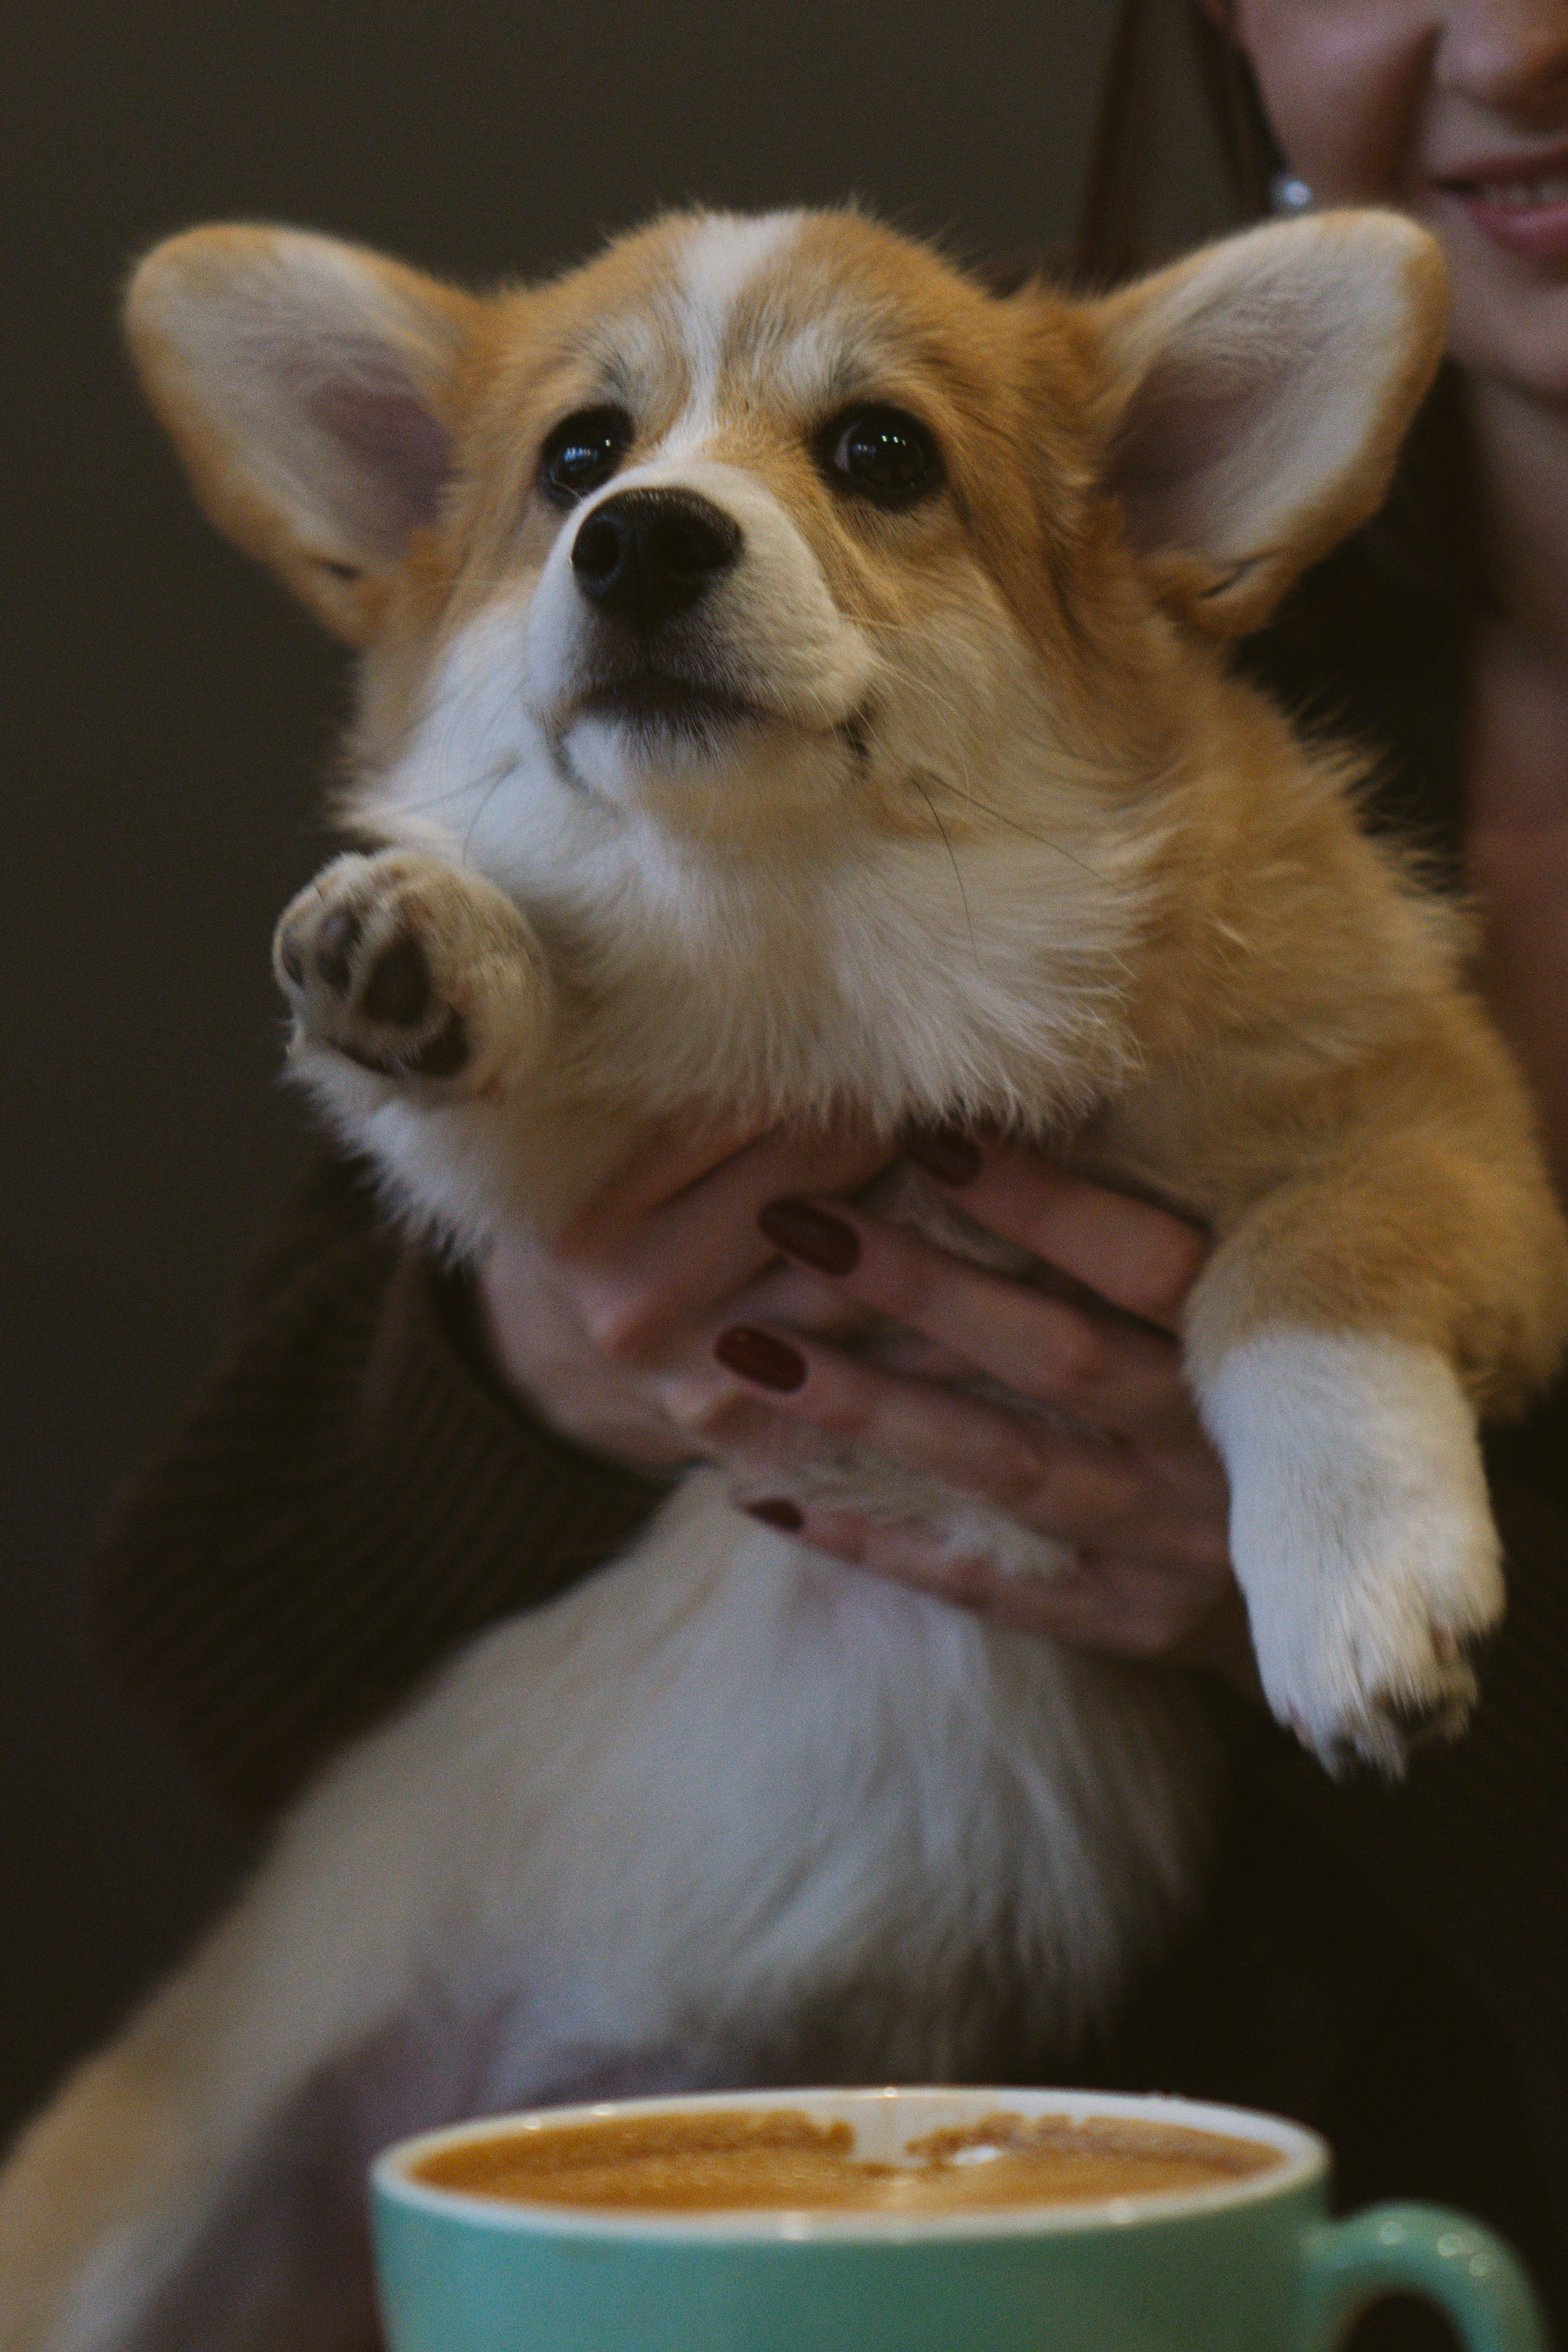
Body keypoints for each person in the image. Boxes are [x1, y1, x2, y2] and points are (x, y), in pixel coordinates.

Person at [90, 2, 1568, 2340]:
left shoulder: (1195, 772)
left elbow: (1399, 1188)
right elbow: (221, 1623)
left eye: (870, 452)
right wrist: (550, 1358)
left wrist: (1285, 1548)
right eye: (584, 457)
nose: (1519, 36)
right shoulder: (624, 859)